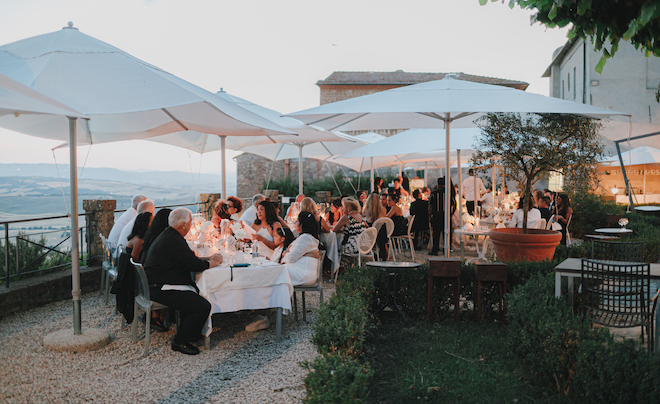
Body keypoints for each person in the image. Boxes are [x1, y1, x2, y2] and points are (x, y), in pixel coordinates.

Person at [143, 208, 223, 355]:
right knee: (202, 306)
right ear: (184, 225)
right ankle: (179, 341)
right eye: (191, 223)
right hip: (159, 288)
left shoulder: (169, 235)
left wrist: (205, 260)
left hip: (157, 282)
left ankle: (191, 334)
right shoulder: (173, 239)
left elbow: (187, 260)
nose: (191, 226)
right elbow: (194, 266)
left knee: (193, 293)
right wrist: (213, 263)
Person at [282, 211, 321, 286]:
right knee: (274, 271)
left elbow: (291, 258)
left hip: (303, 274)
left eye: (297, 221)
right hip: (299, 270)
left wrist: (285, 254)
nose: (295, 223)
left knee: (274, 273)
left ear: (302, 224)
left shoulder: (306, 238)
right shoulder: (305, 237)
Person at [429, 177, 456, 255]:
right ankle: (447, 249)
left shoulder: (434, 193)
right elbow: (454, 204)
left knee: (436, 233)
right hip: (446, 215)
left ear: (438, 184)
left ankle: (435, 250)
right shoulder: (448, 193)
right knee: (447, 233)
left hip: (436, 215)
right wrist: (451, 214)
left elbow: (430, 205)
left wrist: (430, 215)